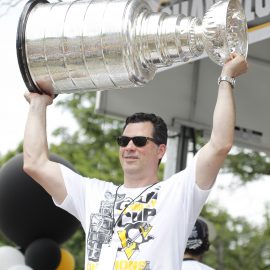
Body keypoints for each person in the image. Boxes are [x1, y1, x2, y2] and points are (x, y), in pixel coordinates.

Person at [23, 53, 248, 270]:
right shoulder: (93, 194)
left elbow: (220, 144)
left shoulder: (178, 192)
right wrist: (37, 104)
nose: (129, 147)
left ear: (161, 150)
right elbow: (35, 164)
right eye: (124, 140)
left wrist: (227, 77)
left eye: (139, 141)